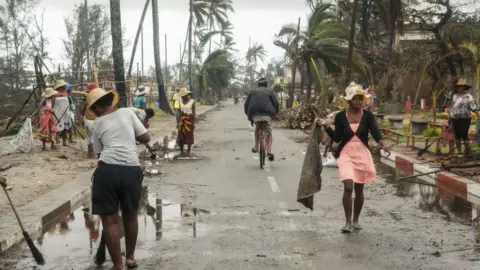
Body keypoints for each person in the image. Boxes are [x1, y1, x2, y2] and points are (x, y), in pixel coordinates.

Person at [87, 87, 149, 270]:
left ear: (98, 107)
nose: (93, 112)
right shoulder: (127, 113)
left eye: (93, 108)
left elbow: (99, 152)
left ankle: (119, 266)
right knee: (130, 216)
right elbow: (146, 136)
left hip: (107, 171)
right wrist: (131, 137)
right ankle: (129, 258)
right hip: (131, 169)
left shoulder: (96, 124)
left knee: (110, 221)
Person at [318, 82, 390, 233]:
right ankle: (347, 222)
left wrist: (383, 143)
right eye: (355, 98)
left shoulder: (368, 116)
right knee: (348, 186)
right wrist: (326, 126)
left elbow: (375, 132)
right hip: (346, 153)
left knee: (359, 189)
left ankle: (356, 220)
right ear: (348, 100)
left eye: (360, 98)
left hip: (362, 153)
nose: (358, 101)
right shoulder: (340, 116)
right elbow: (337, 138)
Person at [244, 78, 279, 161]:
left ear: (258, 85)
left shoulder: (252, 92)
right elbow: (276, 104)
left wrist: (249, 116)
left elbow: (246, 105)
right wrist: (275, 114)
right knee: (269, 133)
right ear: (266, 84)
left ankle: (256, 146)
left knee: (257, 128)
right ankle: (269, 151)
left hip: (254, 115)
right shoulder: (270, 91)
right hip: (267, 114)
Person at [448, 78, 480, 155]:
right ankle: (459, 153)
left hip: (465, 119)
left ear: (465, 87)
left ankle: (468, 152)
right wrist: (450, 119)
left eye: (461, 87)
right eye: (458, 87)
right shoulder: (455, 96)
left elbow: (474, 107)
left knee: (464, 135)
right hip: (455, 119)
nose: (459, 88)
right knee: (457, 136)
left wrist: (478, 116)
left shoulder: (468, 96)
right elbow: (452, 108)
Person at [53, 80, 74, 146]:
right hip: (57, 111)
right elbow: (53, 103)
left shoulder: (66, 93)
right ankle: (57, 139)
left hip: (65, 112)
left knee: (65, 126)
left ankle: (64, 142)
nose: (64, 87)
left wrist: (71, 109)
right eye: (63, 86)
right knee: (57, 125)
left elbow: (69, 103)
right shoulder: (55, 94)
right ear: (60, 86)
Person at [176, 87, 196, 157]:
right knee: (180, 135)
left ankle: (188, 151)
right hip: (181, 120)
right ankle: (181, 151)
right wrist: (177, 123)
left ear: (187, 94)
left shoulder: (192, 101)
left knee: (189, 135)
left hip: (189, 120)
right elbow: (179, 113)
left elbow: (193, 113)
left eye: (183, 95)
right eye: (181, 96)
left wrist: (193, 123)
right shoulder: (179, 101)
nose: (182, 97)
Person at [81, 83, 98, 158]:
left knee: (89, 136)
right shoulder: (97, 97)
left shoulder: (87, 97)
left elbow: (83, 109)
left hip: (88, 118)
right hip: (94, 118)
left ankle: (89, 153)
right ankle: (94, 153)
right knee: (94, 136)